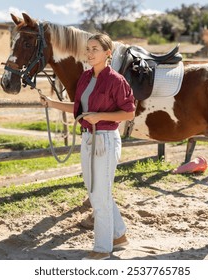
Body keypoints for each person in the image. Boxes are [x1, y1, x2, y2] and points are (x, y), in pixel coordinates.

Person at [40, 33, 136, 260]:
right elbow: (78, 107)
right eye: (88, 49)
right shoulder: (84, 78)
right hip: (88, 138)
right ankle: (119, 235)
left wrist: (99, 116)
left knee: (99, 194)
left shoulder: (116, 80)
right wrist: (51, 103)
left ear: (107, 53)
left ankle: (102, 248)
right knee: (96, 190)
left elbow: (129, 112)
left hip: (105, 139)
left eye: (95, 49)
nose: (90, 53)